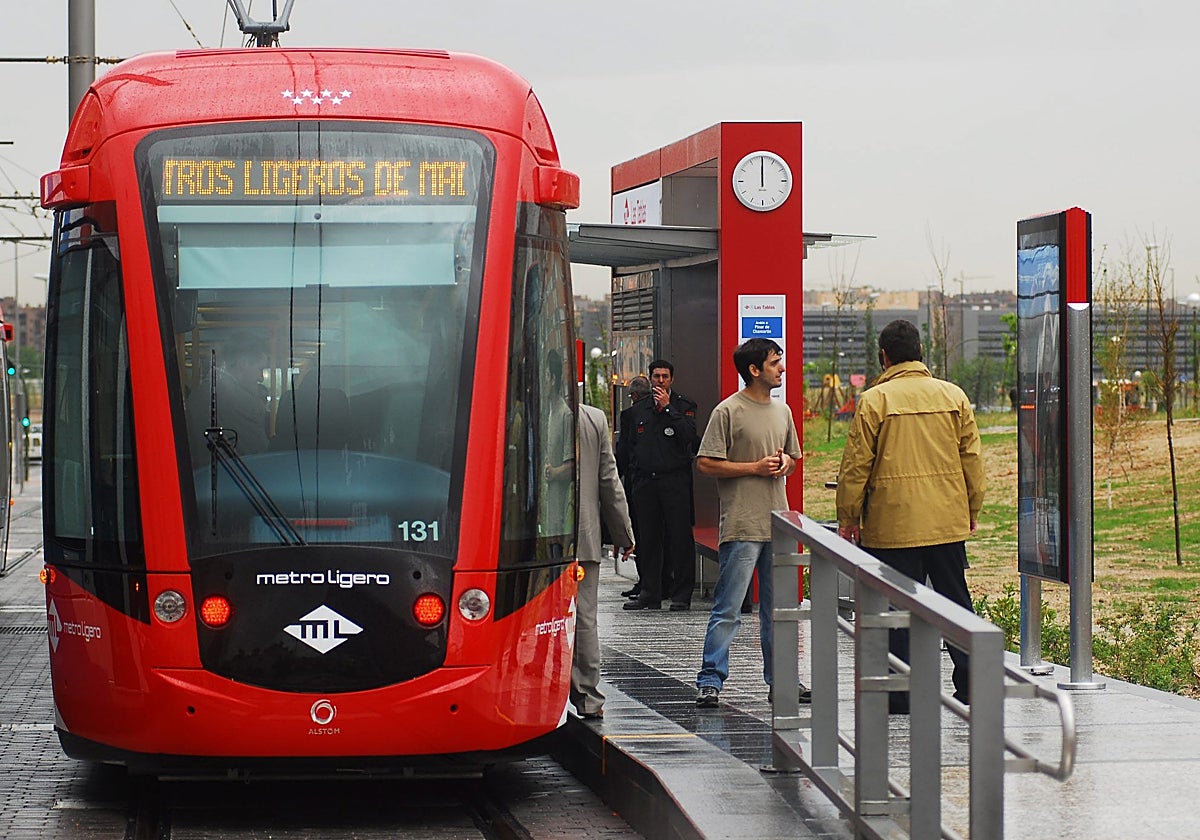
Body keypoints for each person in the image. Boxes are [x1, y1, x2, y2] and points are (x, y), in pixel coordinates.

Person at [835, 319, 985, 713]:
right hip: (946, 522)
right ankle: (971, 682)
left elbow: (855, 468)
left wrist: (849, 517)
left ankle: (900, 692)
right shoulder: (954, 395)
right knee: (954, 600)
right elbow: (972, 460)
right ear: (921, 351)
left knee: (895, 608)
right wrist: (971, 508)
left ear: (883, 356)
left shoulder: (873, 401)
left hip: (892, 524)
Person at [694, 338, 803, 707]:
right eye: (775, 363)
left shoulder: (783, 411)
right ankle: (711, 680)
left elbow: (792, 456)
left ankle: (783, 682)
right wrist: (754, 468)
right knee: (728, 609)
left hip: (778, 524)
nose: (782, 368)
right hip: (742, 525)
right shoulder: (728, 411)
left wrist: (784, 464)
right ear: (754, 370)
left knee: (779, 611)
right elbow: (706, 463)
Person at [572, 403, 635, 720]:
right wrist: (624, 533)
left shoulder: (522, 411)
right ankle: (589, 698)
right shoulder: (593, 419)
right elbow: (609, 480)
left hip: (531, 542)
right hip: (584, 537)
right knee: (585, 618)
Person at [622, 360, 700, 611]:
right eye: (656, 376)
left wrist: (668, 410)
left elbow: (690, 438)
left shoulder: (684, 406)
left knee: (679, 538)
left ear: (672, 379)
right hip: (646, 482)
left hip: (674, 481)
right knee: (648, 539)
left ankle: (680, 595)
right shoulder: (637, 411)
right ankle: (650, 592)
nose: (661, 381)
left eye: (665, 376)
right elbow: (629, 448)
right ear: (650, 378)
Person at [186, 339, 271, 455]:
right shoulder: (244, 403)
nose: (261, 378)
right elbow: (260, 457)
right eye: (260, 369)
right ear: (243, 363)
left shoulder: (198, 394)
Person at [615, 375, 652, 599]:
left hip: (635, 480)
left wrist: (616, 477)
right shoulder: (656, 410)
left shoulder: (630, 415)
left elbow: (624, 450)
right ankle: (651, 582)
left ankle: (645, 581)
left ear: (634, 396)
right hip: (653, 481)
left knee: (639, 530)